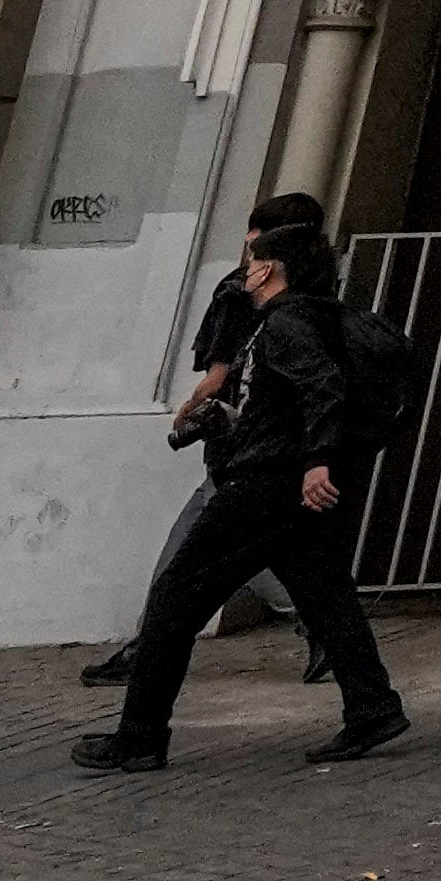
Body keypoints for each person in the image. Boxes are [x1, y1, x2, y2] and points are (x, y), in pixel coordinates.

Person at [75, 223, 403, 771]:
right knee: (325, 594)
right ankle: (372, 708)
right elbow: (284, 401)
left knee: (176, 596)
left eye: (252, 260)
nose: (244, 270)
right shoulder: (304, 318)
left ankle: (139, 736)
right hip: (283, 479)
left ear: (268, 268)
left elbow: (322, 387)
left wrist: (316, 460)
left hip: (266, 484)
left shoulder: (288, 322)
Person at [89, 193, 336, 695]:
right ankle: (335, 644)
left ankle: (145, 657)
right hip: (274, 452)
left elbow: (222, 371)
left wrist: (192, 409)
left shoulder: (248, 291)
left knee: (187, 556)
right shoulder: (322, 290)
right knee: (275, 555)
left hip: (245, 455)